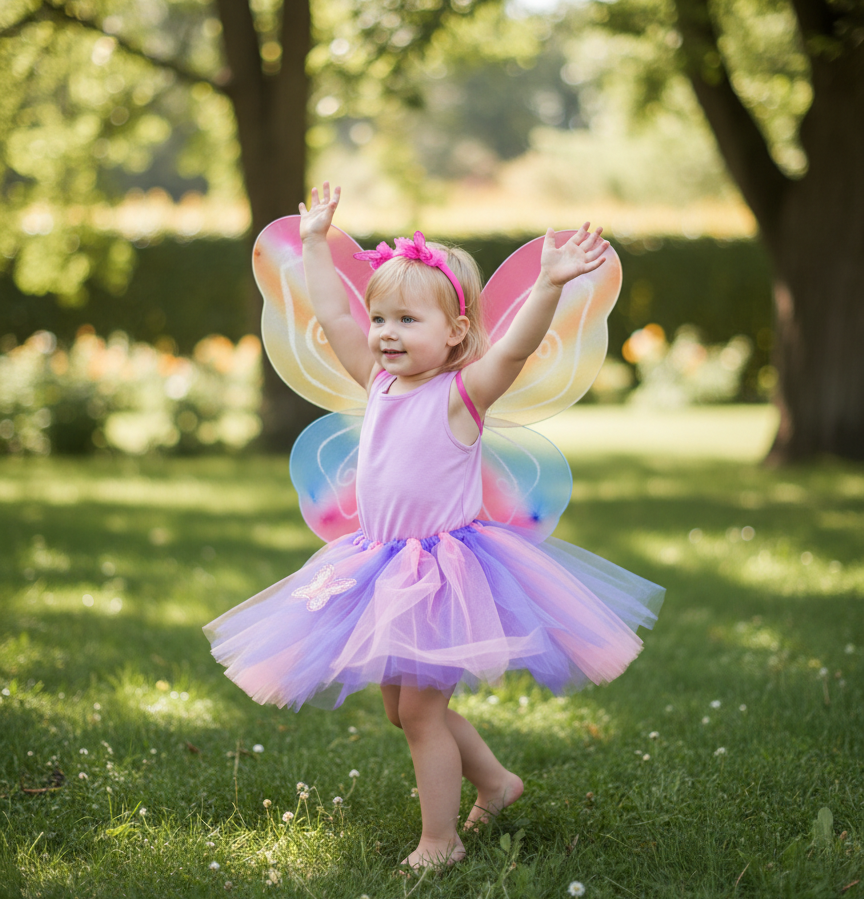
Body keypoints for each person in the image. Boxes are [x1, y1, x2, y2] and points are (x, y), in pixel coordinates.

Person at [204, 182, 664, 871]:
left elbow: (511, 350)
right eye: (381, 318)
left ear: (453, 331)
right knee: (401, 710)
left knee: (420, 713)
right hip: (380, 565)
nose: (385, 332)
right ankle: (497, 782)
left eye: (406, 320)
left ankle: (439, 840)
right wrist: (312, 243)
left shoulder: (461, 395)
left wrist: (546, 286)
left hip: (445, 573)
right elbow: (333, 316)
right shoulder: (377, 382)